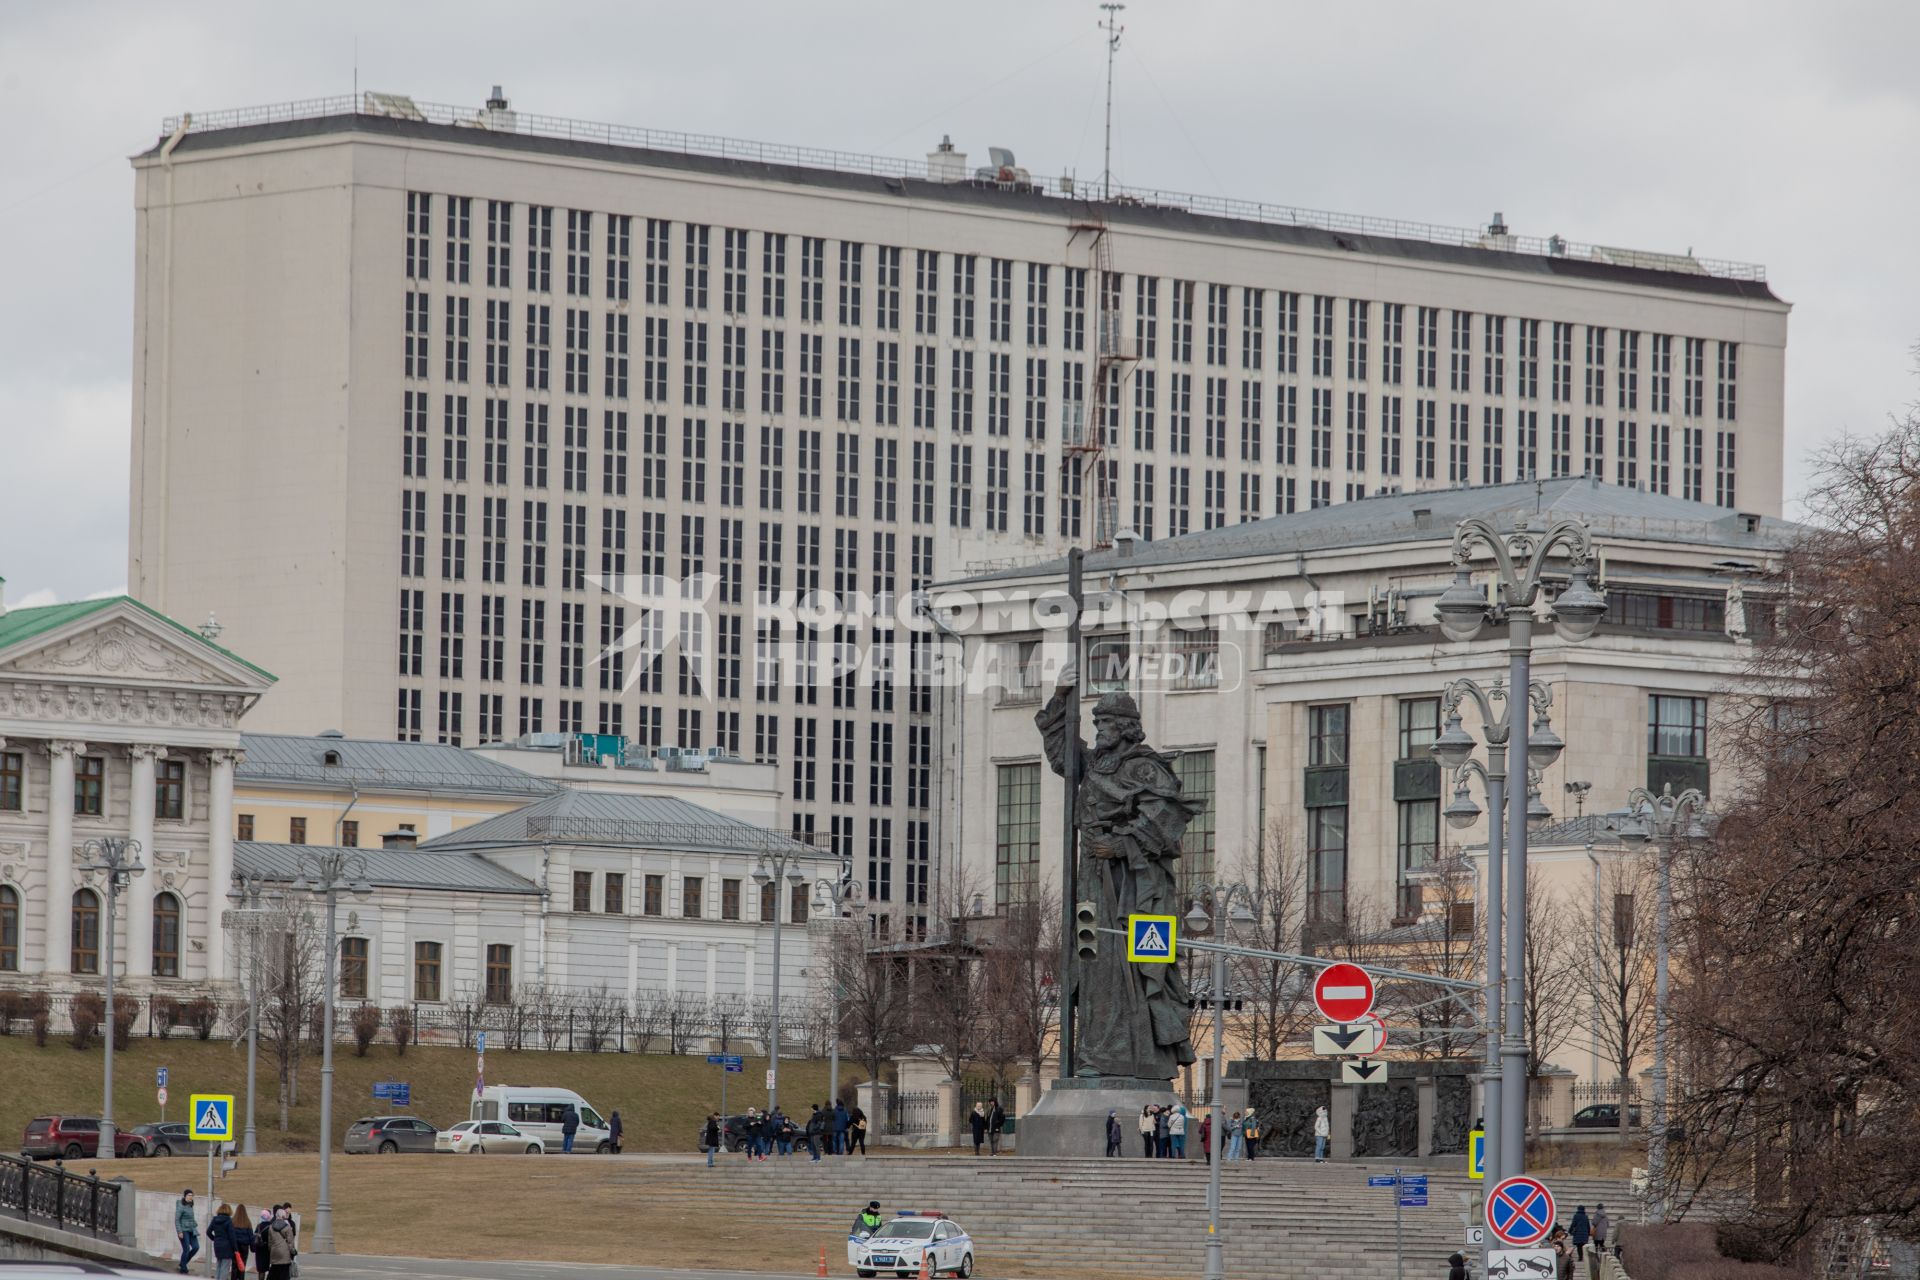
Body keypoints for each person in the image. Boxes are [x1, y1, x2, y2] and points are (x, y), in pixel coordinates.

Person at [260, 1207, 296, 1280]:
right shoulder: (287, 1227)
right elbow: (290, 1242)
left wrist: (272, 1249)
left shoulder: (271, 1227)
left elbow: (270, 1242)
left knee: (274, 1271)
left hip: (274, 1251)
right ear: (283, 1216)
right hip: (284, 1252)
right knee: (284, 1273)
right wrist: (292, 1252)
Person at [206, 1203, 235, 1280]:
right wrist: (235, 1249)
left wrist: (215, 1239)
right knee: (225, 1267)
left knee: (219, 1265)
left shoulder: (215, 1219)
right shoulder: (229, 1221)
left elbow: (208, 1232)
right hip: (227, 1246)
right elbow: (232, 1236)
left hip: (217, 1245)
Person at [174, 1190, 199, 1274]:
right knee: (187, 1249)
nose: (191, 1196)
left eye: (192, 1195)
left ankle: (183, 1263)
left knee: (196, 1247)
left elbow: (190, 1218)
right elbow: (177, 1220)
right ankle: (183, 1269)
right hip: (183, 1230)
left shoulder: (191, 1204)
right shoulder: (181, 1205)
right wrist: (179, 1231)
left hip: (191, 1230)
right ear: (185, 1196)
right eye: (189, 1195)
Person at [230, 1204, 254, 1279]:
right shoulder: (247, 1222)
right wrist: (252, 1248)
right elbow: (251, 1236)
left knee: (234, 1265)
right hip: (244, 1246)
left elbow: (230, 1234)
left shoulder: (233, 1221)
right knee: (242, 1265)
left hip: (235, 1246)